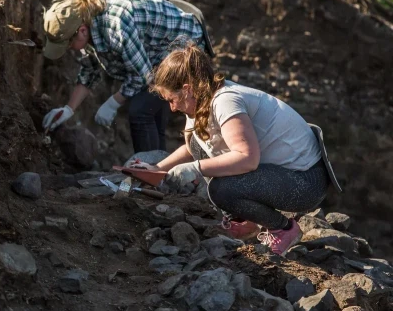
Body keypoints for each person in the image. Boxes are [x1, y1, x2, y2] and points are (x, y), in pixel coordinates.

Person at [132, 45, 341, 256]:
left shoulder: (226, 101)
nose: (172, 108)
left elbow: (247, 159)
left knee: (221, 189)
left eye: (171, 100)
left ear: (187, 89)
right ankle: (245, 221)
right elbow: (192, 148)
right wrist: (156, 168)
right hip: (281, 174)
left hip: (305, 182)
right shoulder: (199, 102)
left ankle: (283, 229)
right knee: (196, 143)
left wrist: (195, 169)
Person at [41, 0, 214, 153]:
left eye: (68, 44)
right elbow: (90, 69)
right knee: (150, 114)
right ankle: (157, 173)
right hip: (156, 52)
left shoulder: (116, 26)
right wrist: (68, 109)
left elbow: (143, 76)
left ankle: (149, 176)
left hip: (187, 45)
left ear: (82, 31)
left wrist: (113, 102)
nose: (69, 49)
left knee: (140, 111)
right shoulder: (87, 19)